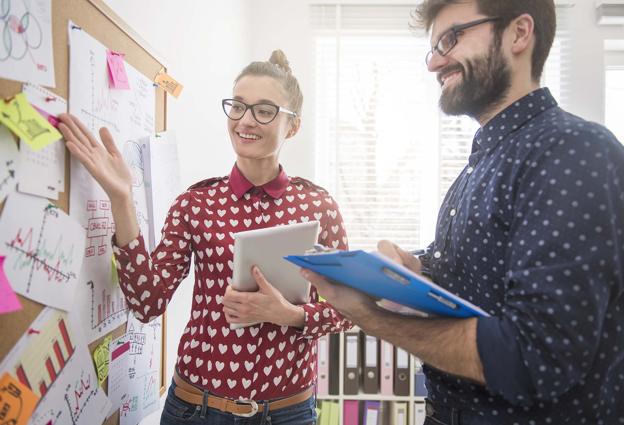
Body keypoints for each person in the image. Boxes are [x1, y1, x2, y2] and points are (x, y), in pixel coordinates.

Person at [301, 1, 624, 424]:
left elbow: (535, 360)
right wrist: (415, 269)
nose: (435, 62)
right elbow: (475, 276)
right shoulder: (486, 160)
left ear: (519, 34)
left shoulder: (571, 151)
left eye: (451, 39)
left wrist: (368, 316)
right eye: (433, 47)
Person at [58, 50, 351, 425]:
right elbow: (147, 301)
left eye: (264, 110)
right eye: (238, 107)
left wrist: (291, 315)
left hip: (287, 413)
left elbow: (349, 310)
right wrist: (122, 199)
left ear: (292, 126)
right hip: (196, 409)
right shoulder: (196, 204)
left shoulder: (318, 207)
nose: (246, 121)